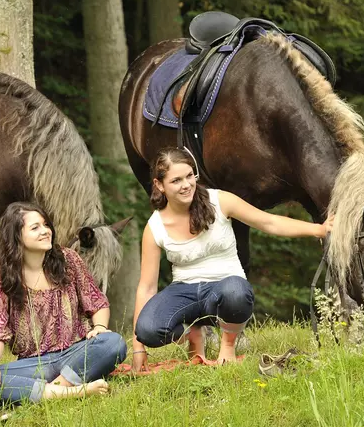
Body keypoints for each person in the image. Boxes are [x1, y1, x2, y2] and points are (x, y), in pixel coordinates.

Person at [132, 148, 334, 370]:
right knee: (147, 330)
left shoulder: (220, 201)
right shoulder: (155, 227)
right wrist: (138, 348)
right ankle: (193, 336)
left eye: (190, 176)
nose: (186, 185)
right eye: (176, 180)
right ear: (160, 185)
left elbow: (268, 222)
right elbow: (147, 287)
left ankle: (227, 346)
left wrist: (319, 230)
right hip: (184, 291)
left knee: (236, 292)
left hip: (225, 286)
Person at [0, 202, 127, 407]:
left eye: (46, 225)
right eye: (35, 228)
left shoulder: (69, 259)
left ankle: (49, 391)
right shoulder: (3, 276)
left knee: (113, 343)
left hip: (77, 352)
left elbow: (97, 302)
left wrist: (99, 327)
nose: (45, 231)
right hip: (35, 363)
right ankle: (73, 391)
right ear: (16, 236)